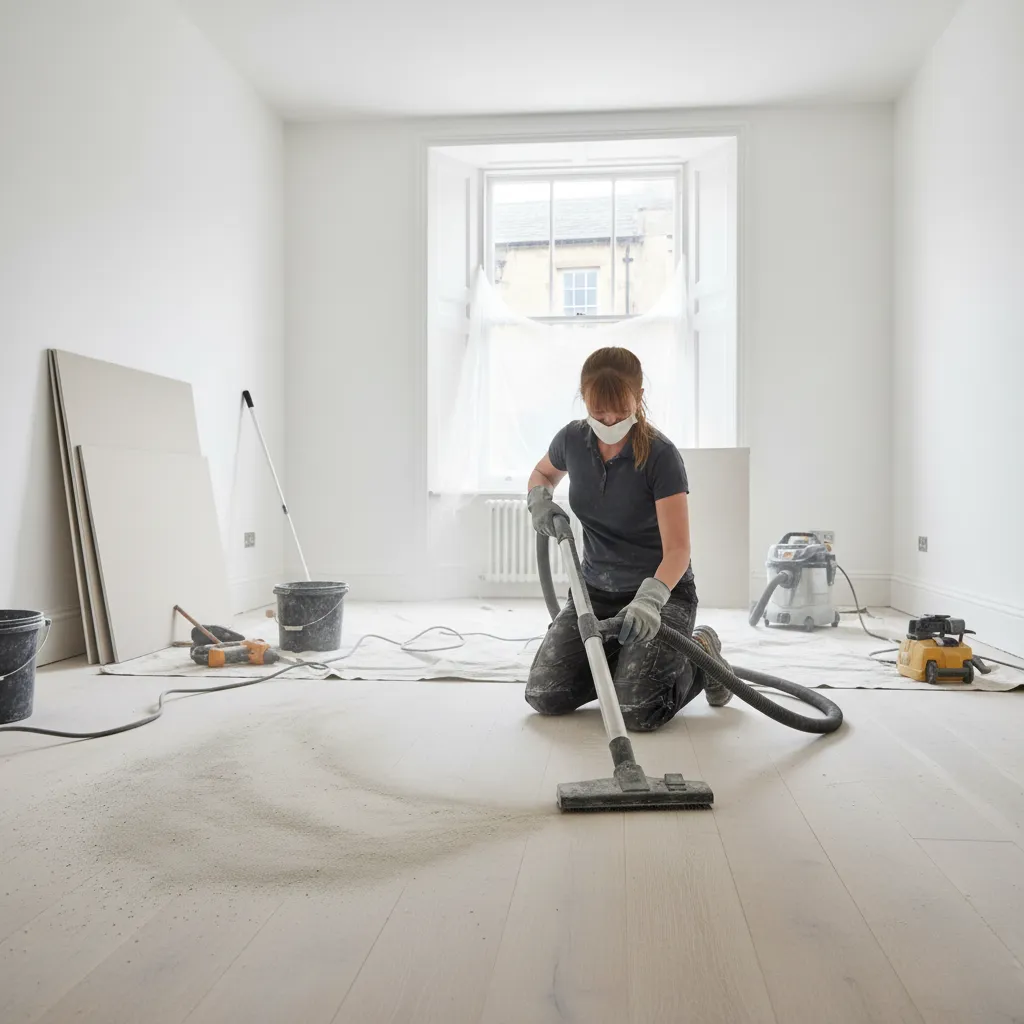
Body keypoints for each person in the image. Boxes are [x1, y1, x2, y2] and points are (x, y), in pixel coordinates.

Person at [525, 346, 730, 731]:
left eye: (620, 410)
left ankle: (702, 654)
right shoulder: (571, 440)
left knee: (638, 711)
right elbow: (543, 473)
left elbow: (678, 550)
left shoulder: (660, 455)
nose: (610, 420)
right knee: (544, 695)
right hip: (595, 594)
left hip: (660, 596)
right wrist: (539, 499)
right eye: (599, 411)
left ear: (638, 398)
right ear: (584, 399)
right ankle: (630, 662)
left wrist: (649, 601)